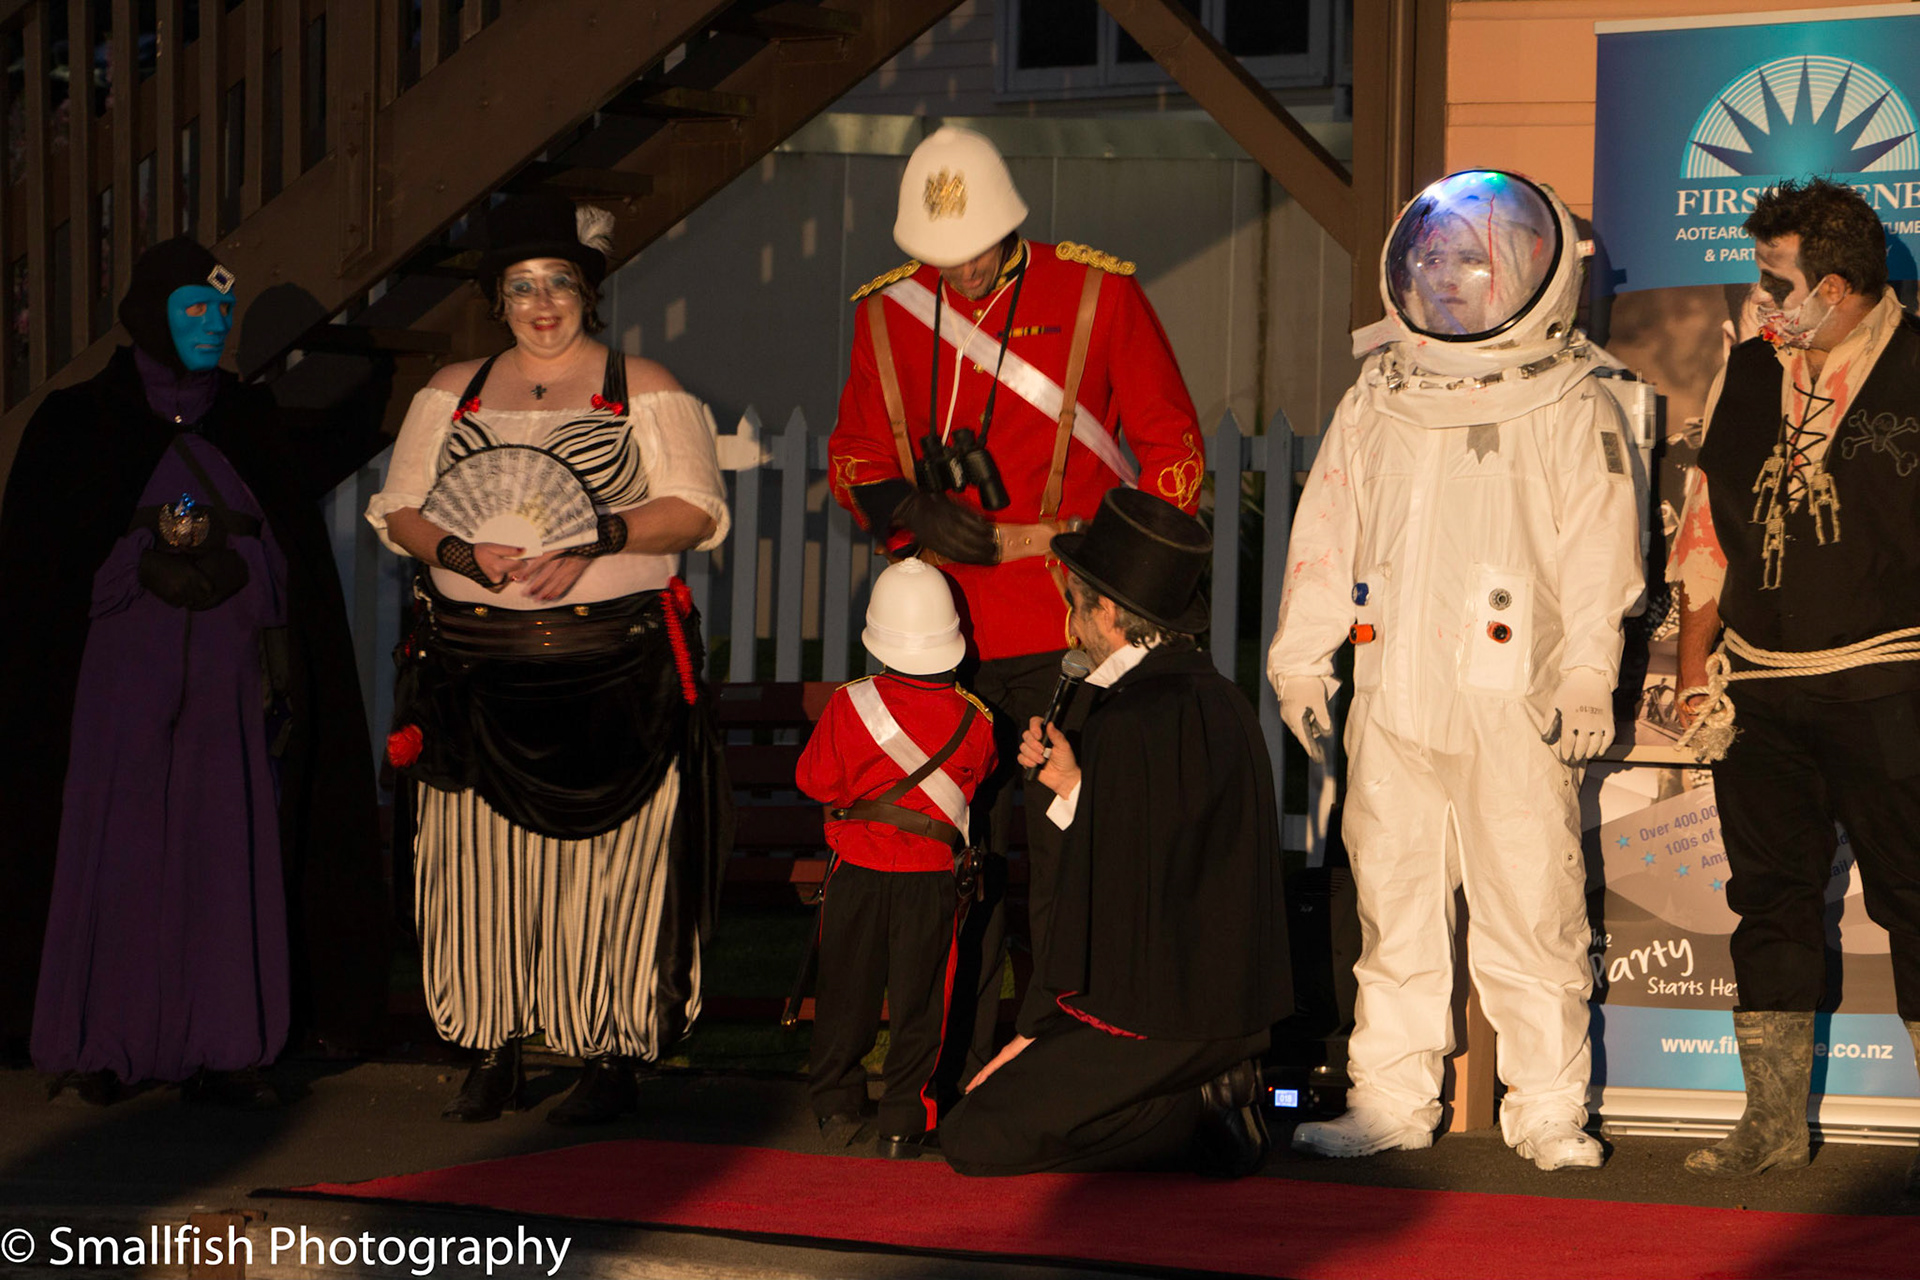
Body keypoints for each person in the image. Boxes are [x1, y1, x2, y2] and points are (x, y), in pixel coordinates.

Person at [1267, 170, 1643, 1170]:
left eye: (1469, 260)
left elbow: (1599, 546)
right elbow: (1327, 533)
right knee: (1393, 909)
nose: (1443, 276)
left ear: (1524, 269)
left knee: (1532, 903)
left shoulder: (1571, 399)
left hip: (1511, 697)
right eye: (1431, 257)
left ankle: (1548, 1106)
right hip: (1391, 692)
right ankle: (1389, 1098)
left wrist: (1587, 670)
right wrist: (1300, 659)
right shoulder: (1378, 396)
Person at [827, 125, 1207, 1087]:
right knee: (955, 864)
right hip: (938, 634)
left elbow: (1172, 448)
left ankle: (1058, 1063)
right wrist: (908, 510)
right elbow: (854, 456)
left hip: (1064, 620)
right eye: (939, 255)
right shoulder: (887, 312)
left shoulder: (1096, 293)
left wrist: (1124, 592)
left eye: (975, 249)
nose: (958, 271)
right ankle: (943, 1074)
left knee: (1071, 856)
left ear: (1010, 224)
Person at [366, 192, 732, 1126]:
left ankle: (610, 1050)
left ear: (587, 293)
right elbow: (401, 510)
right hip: (472, 673)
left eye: (559, 283)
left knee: (613, 870)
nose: (541, 303)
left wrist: (596, 536)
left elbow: (694, 509)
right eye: (522, 286)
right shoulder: (453, 390)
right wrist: (459, 552)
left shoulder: (643, 384)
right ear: (497, 298)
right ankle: (493, 1047)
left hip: (612, 675)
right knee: (478, 868)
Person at [0, 237, 392, 1104]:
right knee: (117, 850)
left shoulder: (252, 423)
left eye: (222, 310)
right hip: (115, 685)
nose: (213, 324)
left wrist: (243, 577)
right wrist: (128, 569)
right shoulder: (76, 424)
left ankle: (224, 1044)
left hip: (226, 682)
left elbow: (295, 566)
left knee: (222, 849)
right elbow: (38, 576)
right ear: (151, 315)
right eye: (195, 309)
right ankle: (104, 1042)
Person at [1670, 178, 1920, 1192]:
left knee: (1917, 895)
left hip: (1891, 684)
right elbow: (1708, 523)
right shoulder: (1750, 367)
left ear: (1835, 285)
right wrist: (1695, 668)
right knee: (1768, 899)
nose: (1763, 299)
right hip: (1762, 690)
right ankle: (1771, 1126)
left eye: (1778, 281)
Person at [938, 489, 1291, 1177]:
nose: (1072, 626)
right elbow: (1169, 844)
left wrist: (1037, 1030)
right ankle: (1209, 1092)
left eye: (1076, 606)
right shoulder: (1223, 699)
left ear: (1106, 611)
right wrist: (1074, 785)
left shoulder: (1130, 718)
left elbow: (1101, 897)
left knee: (975, 1133)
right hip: (1233, 1008)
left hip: (1157, 1017)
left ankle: (1197, 1110)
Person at [796, 559, 997, 1157]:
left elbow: (814, 780)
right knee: (923, 1001)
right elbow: (977, 780)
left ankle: (837, 1107)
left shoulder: (848, 703)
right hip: (929, 880)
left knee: (844, 992)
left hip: (856, 872)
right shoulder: (977, 719)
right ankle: (906, 1120)